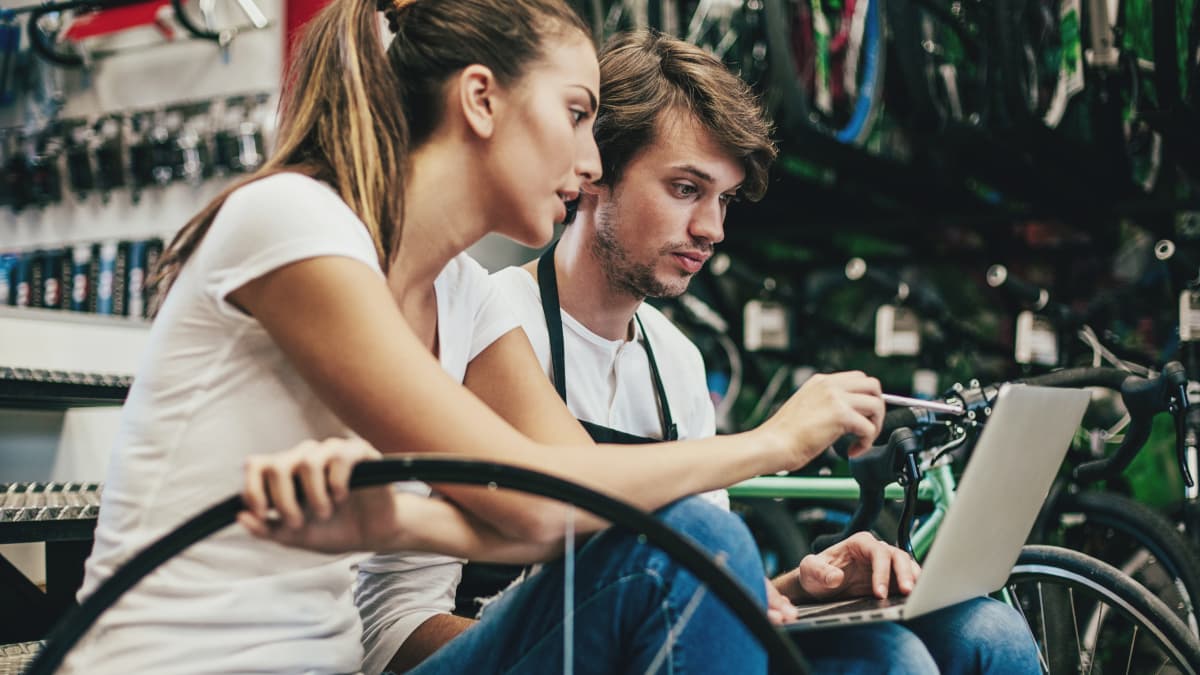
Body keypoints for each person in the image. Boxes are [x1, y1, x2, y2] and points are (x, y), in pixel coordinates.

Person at [65, 0, 891, 673]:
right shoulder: (295, 220)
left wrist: (399, 521)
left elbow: (565, 501)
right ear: (481, 99)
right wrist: (771, 442)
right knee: (690, 536)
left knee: (894, 651)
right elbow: (552, 500)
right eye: (576, 115)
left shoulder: (463, 295)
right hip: (166, 661)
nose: (591, 160)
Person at [350, 30, 1040, 674]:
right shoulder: (491, 321)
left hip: (632, 630)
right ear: (594, 172)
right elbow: (395, 625)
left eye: (725, 199)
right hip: (494, 648)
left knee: (978, 634)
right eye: (685, 189)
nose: (710, 228)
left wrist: (806, 582)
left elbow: (692, 598)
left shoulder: (675, 359)